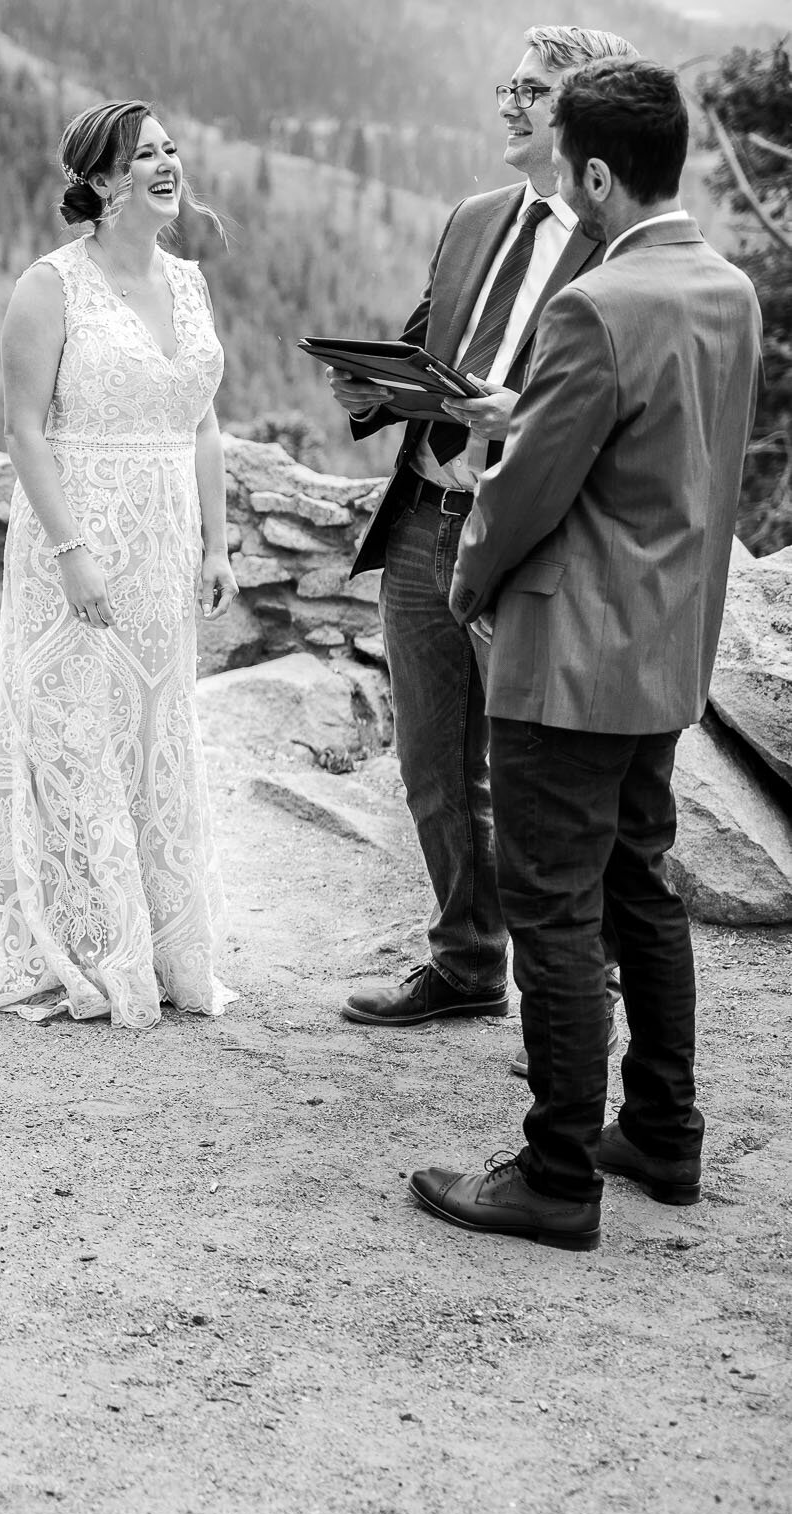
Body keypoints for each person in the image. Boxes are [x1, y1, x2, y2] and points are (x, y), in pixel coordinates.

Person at [412, 58, 763, 1250]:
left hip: (567, 655)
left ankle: (555, 1173)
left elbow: (522, 497)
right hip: (666, 651)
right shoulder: (723, 289)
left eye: (567, 163)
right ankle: (662, 1131)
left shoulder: (594, 307)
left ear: (599, 174)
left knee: (550, 907)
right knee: (637, 887)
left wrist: (467, 576)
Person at [0, 100, 238, 1026]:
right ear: (104, 182)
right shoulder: (51, 286)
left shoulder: (190, 283)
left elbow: (200, 421)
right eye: (141, 155)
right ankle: (86, 941)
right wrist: (74, 553)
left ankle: (157, 943)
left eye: (169, 147)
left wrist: (217, 540)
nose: (166, 163)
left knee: (151, 733)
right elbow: (23, 433)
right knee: (77, 732)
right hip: (76, 537)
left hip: (165, 543)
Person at [328, 25, 636, 1037]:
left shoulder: (623, 246)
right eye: (506, 85)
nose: (507, 104)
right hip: (424, 519)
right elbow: (431, 342)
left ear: (584, 114)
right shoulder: (470, 217)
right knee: (430, 764)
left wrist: (526, 418)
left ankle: (573, 1007)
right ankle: (462, 960)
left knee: (537, 783)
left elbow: (627, 414)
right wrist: (371, 384)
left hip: (530, 544)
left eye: (532, 90)